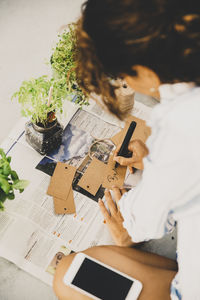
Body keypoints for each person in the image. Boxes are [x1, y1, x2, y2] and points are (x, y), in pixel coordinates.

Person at [53, 1, 200, 299]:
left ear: (144, 72)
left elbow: (135, 227)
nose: (123, 83)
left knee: (65, 275)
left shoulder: (180, 132)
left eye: (122, 76)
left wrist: (126, 228)